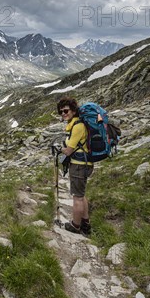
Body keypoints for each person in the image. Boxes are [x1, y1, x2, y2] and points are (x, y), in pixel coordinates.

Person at [57, 97, 93, 235]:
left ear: (73, 110)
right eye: (61, 112)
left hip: (79, 165)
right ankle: (85, 223)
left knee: (77, 197)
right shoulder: (77, 124)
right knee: (81, 195)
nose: (63, 114)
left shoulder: (77, 126)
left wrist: (61, 149)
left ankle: (75, 225)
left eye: (66, 110)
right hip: (84, 164)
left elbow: (69, 150)